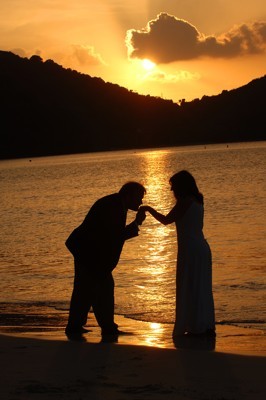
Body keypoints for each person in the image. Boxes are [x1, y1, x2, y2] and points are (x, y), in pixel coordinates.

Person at [65, 181, 146, 338]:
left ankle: (76, 326)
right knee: (102, 287)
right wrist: (136, 223)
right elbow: (113, 236)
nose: (141, 202)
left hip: (88, 250)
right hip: (88, 251)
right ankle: (107, 327)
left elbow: (113, 236)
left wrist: (135, 223)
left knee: (85, 289)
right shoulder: (113, 206)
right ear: (129, 195)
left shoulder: (116, 204)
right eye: (139, 197)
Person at [141, 170, 215, 338]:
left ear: (181, 187)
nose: (171, 190)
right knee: (200, 287)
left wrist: (147, 208)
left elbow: (166, 220)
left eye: (173, 186)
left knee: (189, 286)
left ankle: (196, 327)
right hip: (200, 247)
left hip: (191, 250)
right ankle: (204, 324)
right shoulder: (197, 200)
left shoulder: (186, 201)